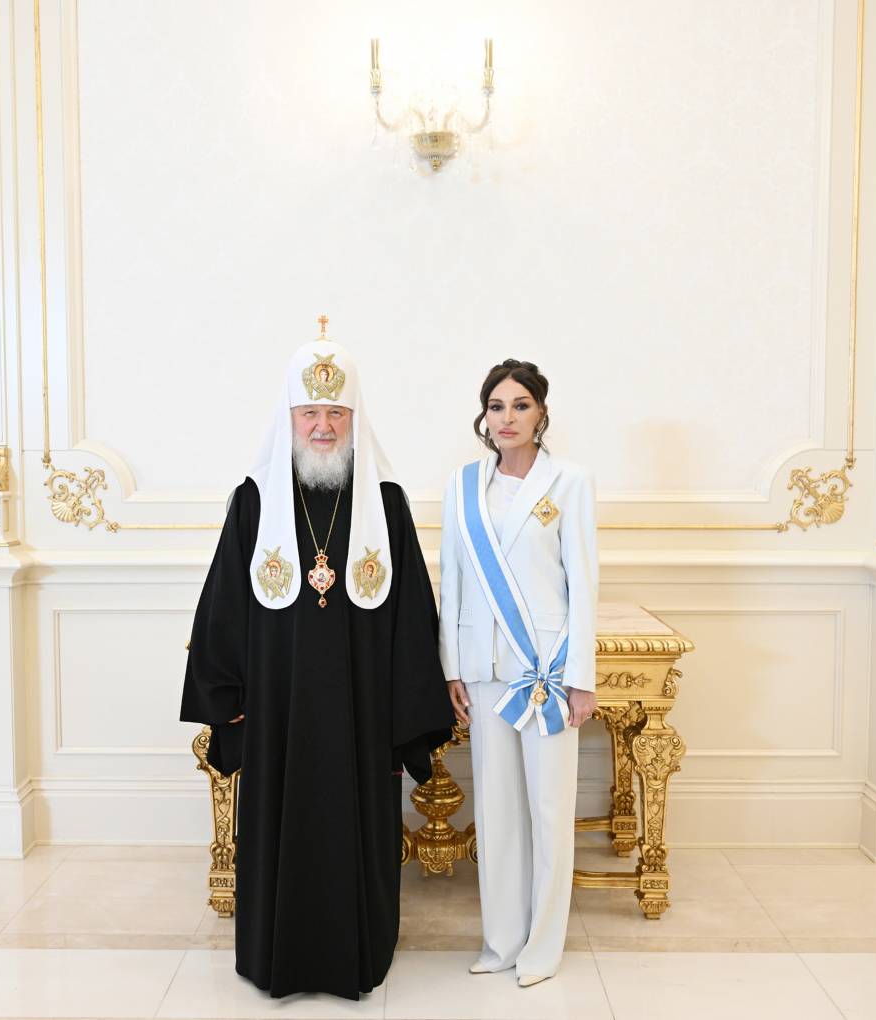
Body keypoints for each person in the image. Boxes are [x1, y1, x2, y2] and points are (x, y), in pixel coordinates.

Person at [180, 329, 454, 1001]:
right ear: (290, 417)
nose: (324, 426)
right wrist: (226, 691)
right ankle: (274, 955)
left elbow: (411, 615)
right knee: (278, 823)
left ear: (356, 419)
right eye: (311, 413)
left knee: (356, 822)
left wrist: (406, 708)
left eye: (336, 413)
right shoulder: (255, 500)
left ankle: (359, 953)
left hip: (361, 711)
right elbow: (223, 604)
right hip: (278, 708)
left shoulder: (385, 503)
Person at [439, 359, 598, 987]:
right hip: (484, 669)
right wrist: (452, 666)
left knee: (550, 810)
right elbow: (452, 579)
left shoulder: (570, 482)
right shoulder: (463, 485)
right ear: (485, 415)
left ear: (541, 413)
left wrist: (581, 676)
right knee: (498, 811)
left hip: (545, 670)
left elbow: (582, 582)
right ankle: (502, 940)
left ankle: (543, 946)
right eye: (497, 406)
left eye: (521, 405)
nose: (508, 418)